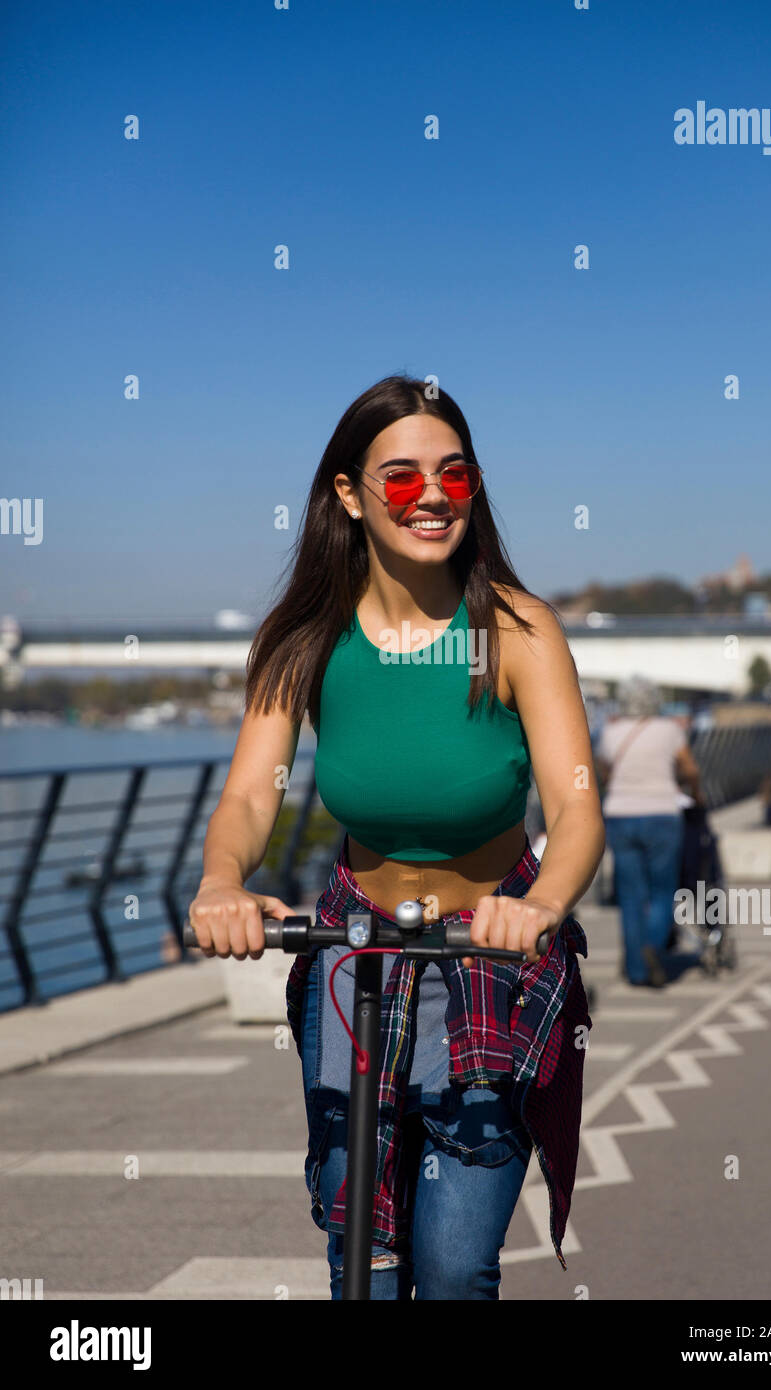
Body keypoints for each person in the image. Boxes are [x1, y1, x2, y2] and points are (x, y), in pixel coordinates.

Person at [186, 374, 605, 1300]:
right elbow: (253, 796)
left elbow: (576, 808)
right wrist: (223, 879)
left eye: (454, 475)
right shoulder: (301, 640)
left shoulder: (520, 631)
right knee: (360, 1261)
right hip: (356, 953)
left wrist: (539, 906)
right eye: (402, 475)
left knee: (454, 1266)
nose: (431, 497)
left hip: (492, 956)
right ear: (349, 494)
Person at [596, 677, 702, 988]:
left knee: (630, 895)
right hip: (661, 814)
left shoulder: (610, 732)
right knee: (662, 889)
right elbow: (690, 768)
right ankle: (652, 947)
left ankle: (636, 971)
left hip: (620, 814)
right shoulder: (670, 730)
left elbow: (603, 771)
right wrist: (694, 790)